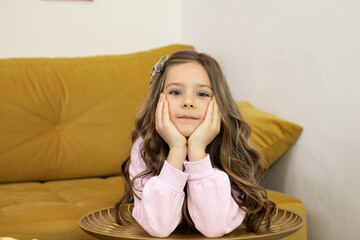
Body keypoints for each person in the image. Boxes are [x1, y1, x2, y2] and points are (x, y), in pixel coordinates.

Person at [115, 50, 276, 238]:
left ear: (219, 102)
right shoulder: (144, 145)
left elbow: (214, 227)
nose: (188, 102)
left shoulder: (229, 144)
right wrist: (176, 149)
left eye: (202, 93)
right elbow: (159, 227)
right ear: (158, 99)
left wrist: (197, 151)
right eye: (176, 92)